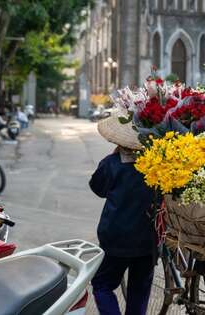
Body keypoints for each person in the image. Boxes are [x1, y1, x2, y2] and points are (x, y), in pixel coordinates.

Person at [90, 108, 158, 315]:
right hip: (148, 239)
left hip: (115, 238)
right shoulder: (157, 165)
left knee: (102, 285)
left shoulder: (111, 164)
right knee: (139, 289)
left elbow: (98, 188)